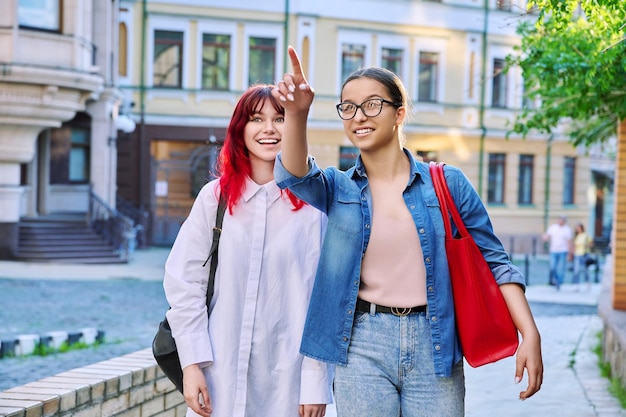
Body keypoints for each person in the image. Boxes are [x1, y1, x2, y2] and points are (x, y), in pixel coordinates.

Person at [272, 46, 543, 416]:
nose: (358, 116)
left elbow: (496, 262)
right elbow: (293, 175)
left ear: (399, 113)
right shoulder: (339, 188)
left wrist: (530, 333)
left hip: (435, 341)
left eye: (372, 105)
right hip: (361, 344)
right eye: (347, 107)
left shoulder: (448, 183)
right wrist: (297, 113)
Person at [162, 85, 333, 417]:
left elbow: (324, 299)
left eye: (280, 118)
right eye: (257, 118)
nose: (269, 128)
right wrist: (192, 364)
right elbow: (185, 283)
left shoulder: (315, 206)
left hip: (288, 382)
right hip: (218, 374)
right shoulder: (216, 198)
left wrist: (315, 381)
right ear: (240, 129)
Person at [543, 216, 573, 290]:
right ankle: (556, 280)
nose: (560, 221)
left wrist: (570, 253)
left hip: (563, 251)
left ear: (564, 221)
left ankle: (559, 282)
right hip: (553, 250)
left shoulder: (567, 229)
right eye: (559, 220)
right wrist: (545, 237)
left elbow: (569, 242)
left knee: (561, 268)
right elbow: (547, 235)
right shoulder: (553, 227)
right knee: (552, 267)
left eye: (562, 220)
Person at [572, 223, 592, 291]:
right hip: (577, 255)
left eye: (579, 228)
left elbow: (591, 244)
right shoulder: (576, 236)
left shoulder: (586, 235)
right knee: (576, 270)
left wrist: (587, 245)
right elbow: (574, 246)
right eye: (577, 228)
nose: (578, 229)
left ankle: (587, 282)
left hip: (584, 254)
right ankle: (576, 284)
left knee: (585, 270)